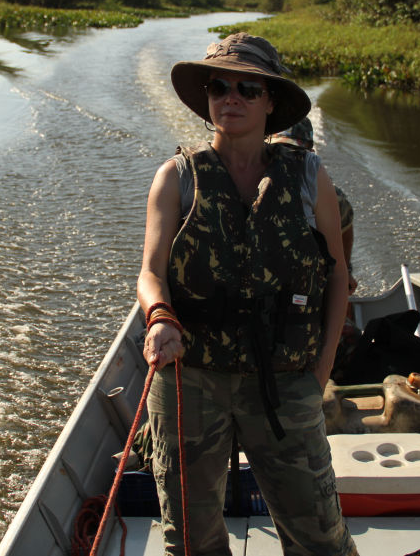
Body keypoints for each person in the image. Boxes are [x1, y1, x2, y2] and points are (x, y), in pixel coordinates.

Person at [137, 32, 358, 556]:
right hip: (191, 379)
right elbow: (149, 273)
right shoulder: (177, 177)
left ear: (271, 101)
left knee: (320, 537)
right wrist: (161, 317)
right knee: (192, 539)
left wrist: (320, 371)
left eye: (247, 88)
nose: (230, 98)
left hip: (285, 382)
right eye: (219, 86)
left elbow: (337, 276)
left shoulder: (308, 177)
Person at [269, 118, 358, 297]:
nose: (288, 157)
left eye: (295, 151)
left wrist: (345, 270)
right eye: (281, 150)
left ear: (309, 153)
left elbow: (346, 225)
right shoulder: (253, 186)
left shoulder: (330, 197)